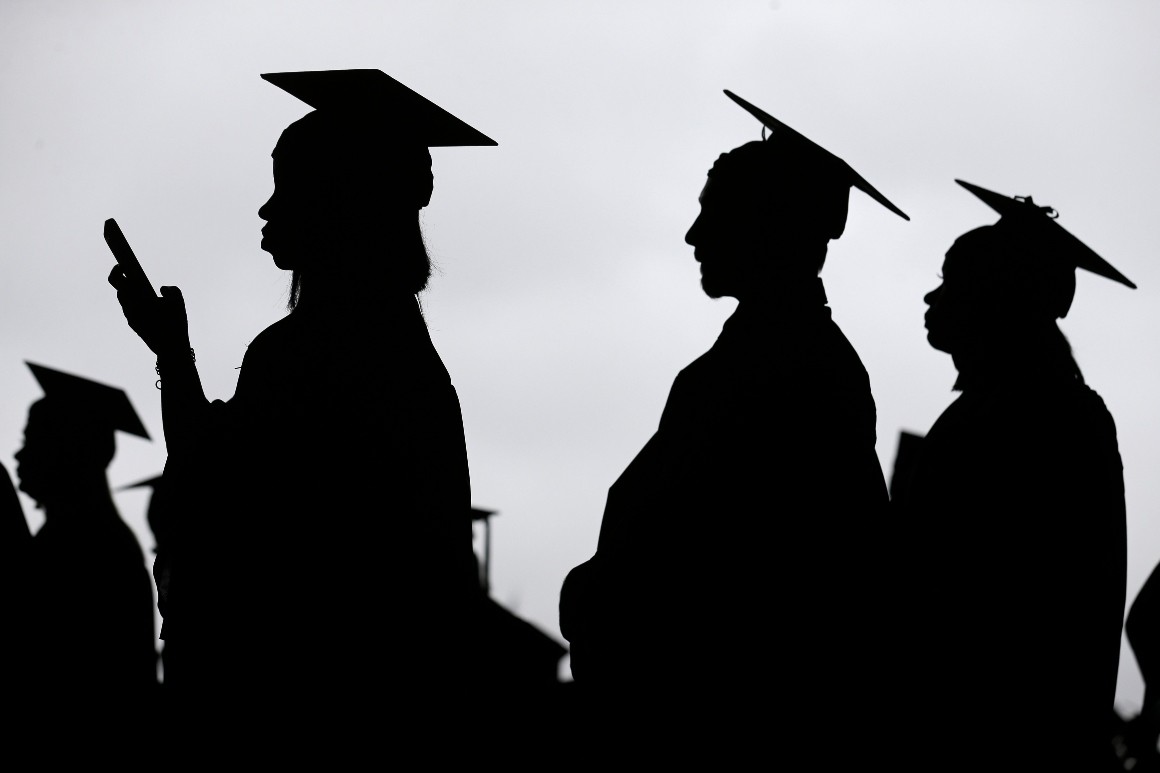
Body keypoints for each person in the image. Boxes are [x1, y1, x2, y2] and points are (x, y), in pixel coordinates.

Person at [107, 69, 492, 746]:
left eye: (288, 187)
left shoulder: (310, 355)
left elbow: (212, 494)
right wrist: (172, 352)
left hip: (302, 703)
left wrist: (174, 357)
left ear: (341, 202)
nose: (266, 209)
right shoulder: (397, 351)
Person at [558, 90, 908, 754]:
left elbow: (735, 567)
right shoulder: (772, 360)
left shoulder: (788, 370)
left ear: (769, 225)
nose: (694, 235)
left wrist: (600, 594)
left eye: (714, 212)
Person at [891, 180, 1132, 769]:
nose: (933, 296)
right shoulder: (1031, 408)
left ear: (1001, 296)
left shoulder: (1037, 418)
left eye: (955, 280)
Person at [10, 363, 158, 733]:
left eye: (32, 440)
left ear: (73, 451)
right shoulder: (96, 538)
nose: (19, 456)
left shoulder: (87, 548)